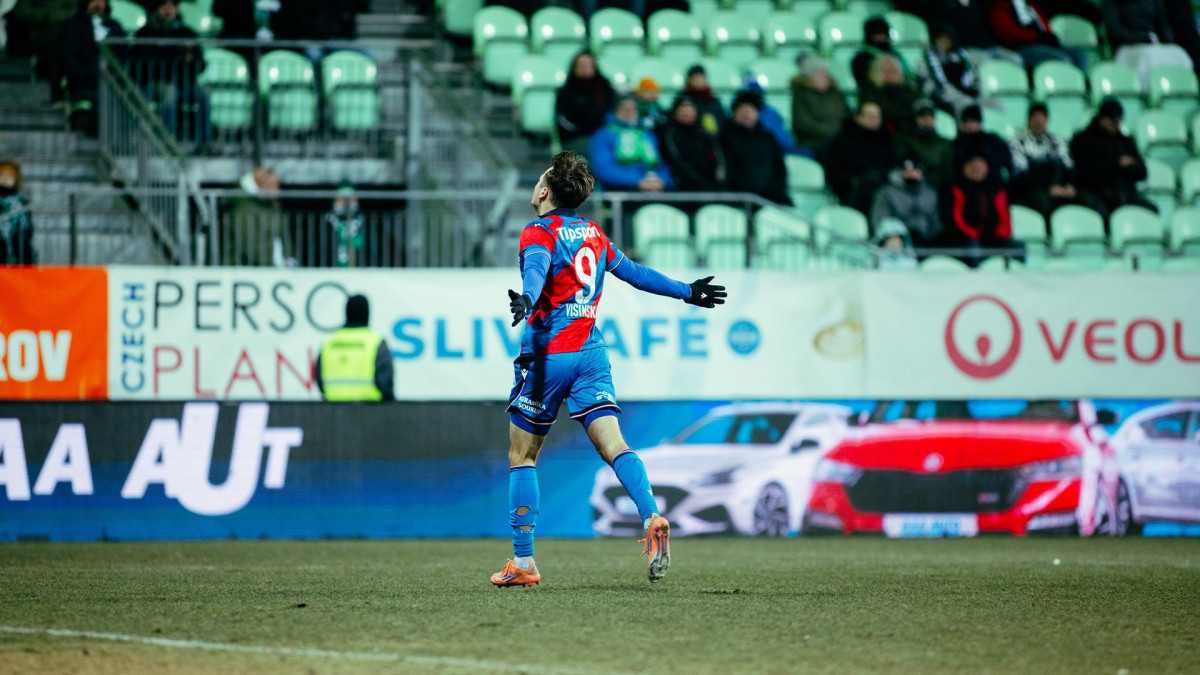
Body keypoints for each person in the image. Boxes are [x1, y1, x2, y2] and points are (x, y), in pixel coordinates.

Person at [492, 151, 726, 587]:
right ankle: (651, 514)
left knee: (522, 455)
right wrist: (687, 291)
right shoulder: (594, 233)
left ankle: (523, 564)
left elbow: (537, 271)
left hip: (549, 355)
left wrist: (526, 300)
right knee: (615, 445)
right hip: (591, 351)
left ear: (544, 191)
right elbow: (635, 274)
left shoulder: (537, 231)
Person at [133, 0, 209, 143]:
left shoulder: (187, 33)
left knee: (203, 93)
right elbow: (144, 64)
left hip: (184, 82)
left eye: (172, 6)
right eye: (164, 5)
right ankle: (167, 140)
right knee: (170, 93)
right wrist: (175, 56)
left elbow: (201, 65)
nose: (169, 9)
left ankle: (204, 142)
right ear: (156, 9)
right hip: (155, 82)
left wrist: (190, 59)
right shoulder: (145, 32)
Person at [1069, 98, 1156, 219]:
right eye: (1111, 119)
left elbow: (1142, 172)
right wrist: (1116, 164)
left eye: (1118, 120)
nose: (1115, 123)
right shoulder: (1083, 139)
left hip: (1125, 193)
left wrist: (1131, 165)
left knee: (1150, 210)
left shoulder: (1125, 142)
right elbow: (1086, 169)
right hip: (1097, 192)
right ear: (1101, 118)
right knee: (1102, 212)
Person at [61, 0, 126, 136]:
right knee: (86, 108)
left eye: (101, 1)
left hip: (110, 83)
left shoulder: (114, 26)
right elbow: (68, 55)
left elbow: (123, 54)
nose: (98, 4)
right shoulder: (75, 25)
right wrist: (84, 75)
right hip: (82, 84)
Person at [944, 154, 1019, 266]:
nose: (976, 169)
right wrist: (973, 234)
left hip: (992, 237)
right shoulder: (956, 188)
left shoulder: (997, 189)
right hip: (966, 237)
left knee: (1016, 247)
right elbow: (956, 219)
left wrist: (999, 236)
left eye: (980, 166)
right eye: (972, 166)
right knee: (973, 249)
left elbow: (1004, 220)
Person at [314, 294, 394, 401]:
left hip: (333, 412)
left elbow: (319, 380)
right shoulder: (376, 342)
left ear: (346, 313)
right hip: (370, 412)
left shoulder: (329, 343)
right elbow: (386, 383)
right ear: (367, 314)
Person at [589, 95, 672, 193]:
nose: (629, 112)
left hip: (655, 188)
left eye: (633, 109)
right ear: (615, 111)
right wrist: (639, 181)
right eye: (624, 108)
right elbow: (604, 170)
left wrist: (662, 181)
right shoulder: (603, 135)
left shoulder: (648, 136)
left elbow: (662, 166)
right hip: (620, 191)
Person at [719, 92, 791, 205]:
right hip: (737, 197)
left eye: (750, 110)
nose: (746, 114)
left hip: (769, 196)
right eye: (742, 111)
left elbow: (779, 168)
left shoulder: (768, 138)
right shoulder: (724, 138)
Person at [1104, 0, 1195, 89]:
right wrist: (1139, 38)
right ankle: (1148, 93)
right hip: (1126, 47)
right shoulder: (1113, 2)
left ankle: (1182, 93)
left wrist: (1164, 40)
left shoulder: (1154, 2)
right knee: (1148, 56)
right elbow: (1115, 30)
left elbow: (1163, 26)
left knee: (1179, 53)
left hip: (1153, 43)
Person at [823, 101, 894, 214]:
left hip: (882, 189)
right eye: (870, 116)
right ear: (858, 117)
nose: (875, 120)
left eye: (877, 116)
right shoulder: (842, 141)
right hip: (852, 190)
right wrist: (854, 181)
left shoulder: (886, 140)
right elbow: (833, 171)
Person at [1009, 103, 1078, 217]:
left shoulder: (1057, 141)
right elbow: (1021, 176)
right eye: (1035, 118)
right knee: (1041, 200)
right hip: (1032, 190)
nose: (1039, 122)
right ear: (1028, 120)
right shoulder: (1017, 142)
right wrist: (1048, 188)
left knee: (1081, 198)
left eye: (1042, 118)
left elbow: (1069, 167)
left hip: (1058, 187)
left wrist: (1070, 186)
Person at [989, 0, 1089, 71]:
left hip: (1042, 43)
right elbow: (1010, 34)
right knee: (1062, 59)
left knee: (1080, 55)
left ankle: (1080, 85)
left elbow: (1044, 25)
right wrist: (1037, 37)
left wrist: (1049, 36)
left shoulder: (1031, 6)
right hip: (1023, 47)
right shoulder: (1001, 7)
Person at [870, 156, 944, 249]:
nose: (912, 173)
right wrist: (894, 235)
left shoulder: (930, 193)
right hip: (897, 239)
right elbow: (879, 221)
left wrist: (935, 237)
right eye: (908, 170)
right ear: (899, 171)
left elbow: (936, 223)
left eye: (916, 169)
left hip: (925, 240)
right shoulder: (886, 192)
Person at [224, 167, 294, 266]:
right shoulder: (243, 210)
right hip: (249, 270)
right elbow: (249, 245)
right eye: (273, 186)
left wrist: (289, 259)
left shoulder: (272, 208)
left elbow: (282, 238)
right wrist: (272, 265)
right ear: (261, 185)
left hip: (274, 269)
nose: (277, 190)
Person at [659, 95, 725, 192]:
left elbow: (718, 163)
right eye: (683, 108)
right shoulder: (668, 136)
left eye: (691, 108)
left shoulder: (706, 137)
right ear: (675, 112)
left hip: (709, 189)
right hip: (681, 190)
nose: (687, 112)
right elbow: (675, 162)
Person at [555, 52, 616, 156]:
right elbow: (562, 120)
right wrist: (584, 130)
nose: (585, 68)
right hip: (577, 137)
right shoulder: (566, 91)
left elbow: (613, 113)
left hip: (604, 134)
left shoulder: (605, 88)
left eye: (588, 65)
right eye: (581, 65)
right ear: (574, 67)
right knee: (596, 152)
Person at [790, 54, 851, 158]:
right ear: (809, 78)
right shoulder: (801, 95)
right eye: (819, 73)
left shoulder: (835, 92)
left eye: (825, 72)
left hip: (839, 138)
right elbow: (803, 122)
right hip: (814, 142)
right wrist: (830, 131)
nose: (824, 76)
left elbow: (847, 114)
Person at [919, 23, 987, 115]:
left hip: (965, 93)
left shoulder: (961, 57)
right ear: (934, 40)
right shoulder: (927, 60)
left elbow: (973, 80)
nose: (944, 42)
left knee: (992, 104)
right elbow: (930, 86)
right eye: (941, 39)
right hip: (944, 96)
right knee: (966, 104)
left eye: (947, 39)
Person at [732, 77, 802, 155]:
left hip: (784, 148)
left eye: (757, 92)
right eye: (751, 93)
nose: (755, 95)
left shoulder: (771, 112)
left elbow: (783, 135)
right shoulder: (740, 120)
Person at [894, 100, 955, 187]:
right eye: (922, 115)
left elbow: (949, 171)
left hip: (939, 186)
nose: (927, 118)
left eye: (930, 115)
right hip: (913, 184)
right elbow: (903, 161)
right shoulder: (905, 139)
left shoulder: (944, 143)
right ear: (915, 118)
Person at [953, 104, 1014, 186]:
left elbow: (1006, 157)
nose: (970, 125)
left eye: (973, 121)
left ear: (980, 123)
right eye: (967, 122)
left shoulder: (992, 140)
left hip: (991, 183)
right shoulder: (957, 143)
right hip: (964, 184)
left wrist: (986, 166)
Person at [859, 53, 920, 133]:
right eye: (886, 71)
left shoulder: (909, 90)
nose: (891, 74)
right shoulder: (869, 91)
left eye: (894, 70)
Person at [852, 15, 914, 88]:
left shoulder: (896, 55)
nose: (881, 37)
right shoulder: (861, 59)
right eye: (877, 33)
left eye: (884, 33)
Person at [318, 181, 364, 267]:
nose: (346, 204)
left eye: (351, 200)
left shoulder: (362, 223)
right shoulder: (326, 222)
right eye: (341, 200)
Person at [0, 161, 35, 265]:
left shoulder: (22, 202)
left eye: (9, 176)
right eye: (2, 175)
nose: (6, 178)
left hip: (18, 242)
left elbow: (28, 226)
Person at [681, 64, 726, 136]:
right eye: (695, 77)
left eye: (701, 77)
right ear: (689, 80)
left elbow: (722, 123)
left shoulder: (714, 102)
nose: (698, 80)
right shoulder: (681, 101)